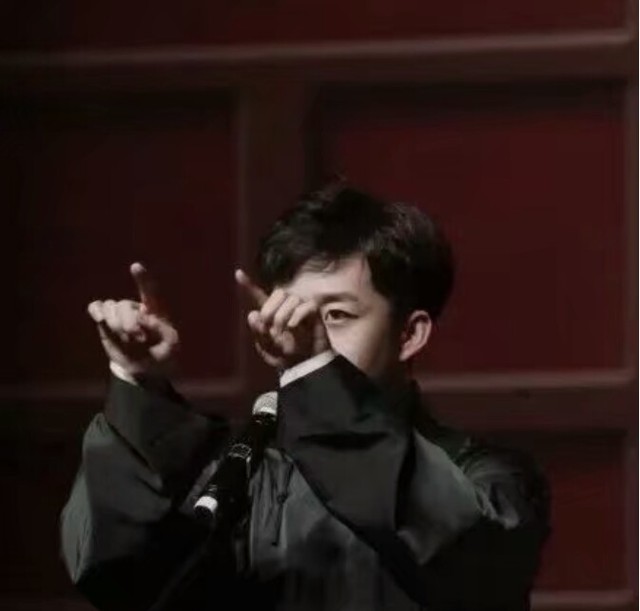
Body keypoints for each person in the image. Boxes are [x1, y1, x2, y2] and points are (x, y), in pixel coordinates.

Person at [60, 184, 550, 611]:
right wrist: (139, 384)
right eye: (289, 312)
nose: (303, 332)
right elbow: (118, 572)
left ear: (409, 334)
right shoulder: (242, 470)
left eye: (335, 315)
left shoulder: (485, 478)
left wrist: (316, 372)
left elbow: (466, 562)